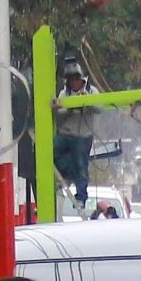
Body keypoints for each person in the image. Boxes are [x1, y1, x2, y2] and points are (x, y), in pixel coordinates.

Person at [55, 66, 96, 207]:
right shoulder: (64, 94)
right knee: (51, 153)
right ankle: (66, 175)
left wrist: (88, 100)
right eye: (71, 80)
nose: (74, 82)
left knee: (81, 165)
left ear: (82, 79)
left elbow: (100, 108)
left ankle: (81, 196)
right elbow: (58, 115)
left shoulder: (92, 91)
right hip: (66, 133)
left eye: (77, 79)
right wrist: (70, 108)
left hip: (83, 136)